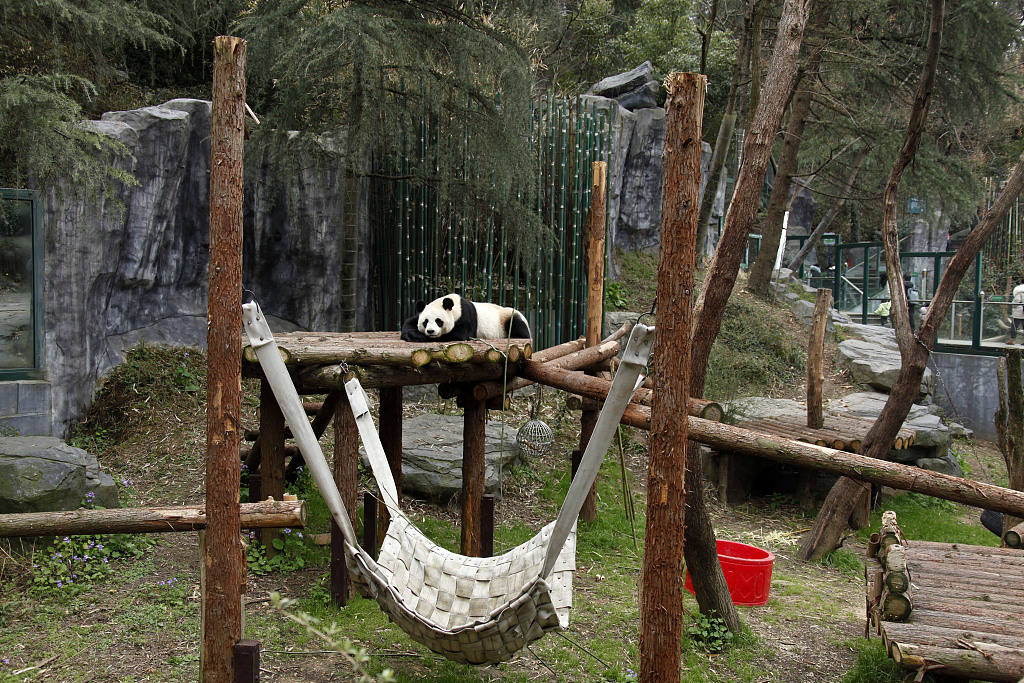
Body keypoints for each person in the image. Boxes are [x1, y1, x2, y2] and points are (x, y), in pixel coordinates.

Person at [1011, 277, 1024, 344]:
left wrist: (1013, 306)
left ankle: (1012, 340)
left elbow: (1016, 301)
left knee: (1014, 326)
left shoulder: (1019, 292)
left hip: (1018, 311)